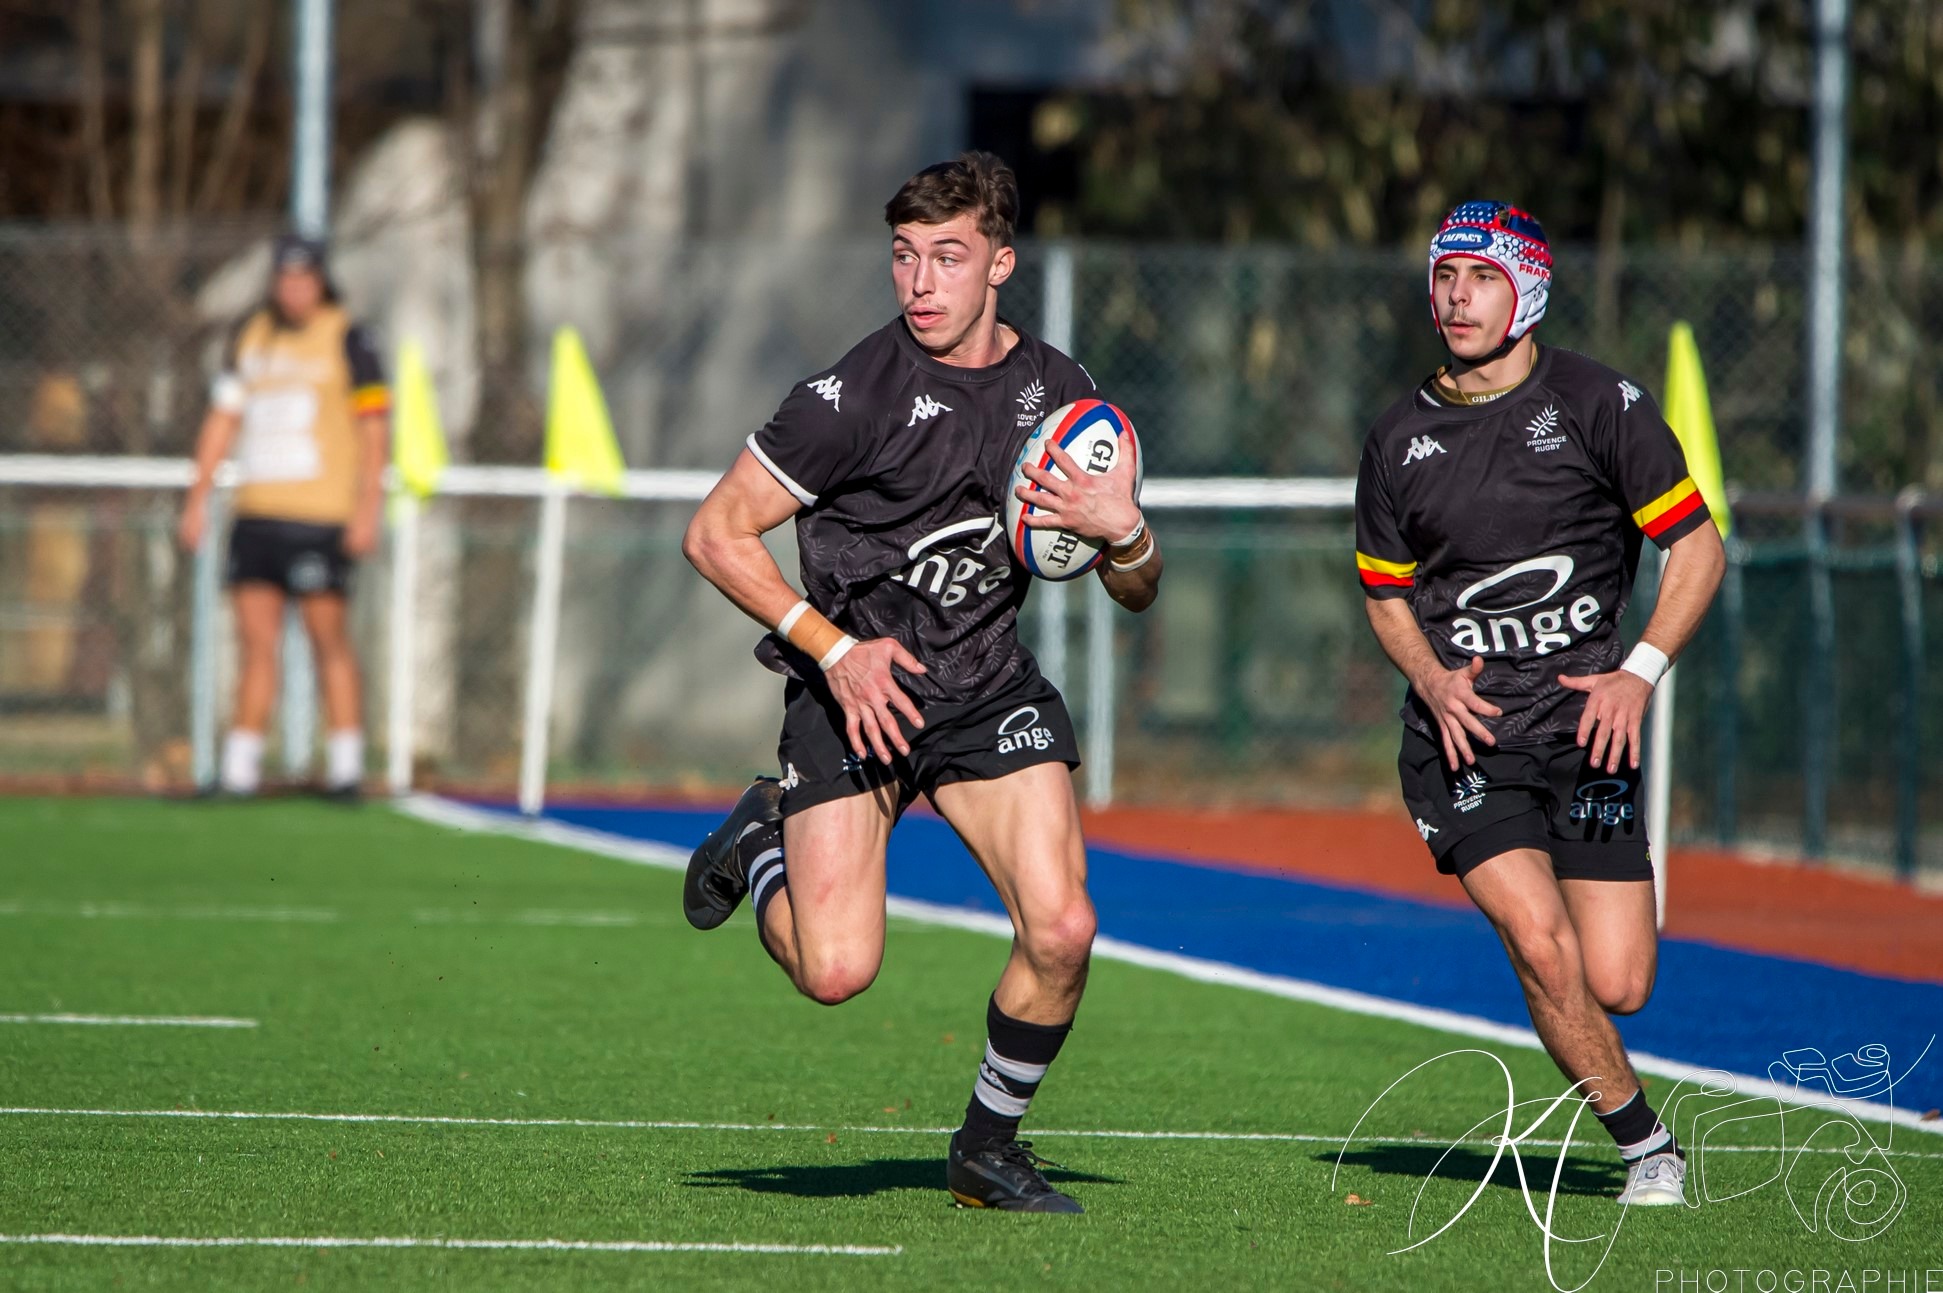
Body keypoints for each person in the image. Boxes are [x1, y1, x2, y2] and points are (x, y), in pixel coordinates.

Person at [680, 152, 1162, 1213]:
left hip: (985, 690)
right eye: (903, 257)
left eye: (947, 256)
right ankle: (760, 844)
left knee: (1063, 930)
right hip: (853, 694)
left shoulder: (1061, 398)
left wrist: (1122, 533)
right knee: (833, 970)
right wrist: (835, 651)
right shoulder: (848, 398)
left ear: (1000, 263)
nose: (920, 281)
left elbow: (1135, 586)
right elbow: (714, 534)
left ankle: (987, 1146)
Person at [1354, 201, 1726, 1207]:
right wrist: (1430, 679)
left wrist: (1637, 671)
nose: (1455, 297)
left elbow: (1695, 548)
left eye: (1478, 276)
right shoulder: (1397, 438)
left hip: (1590, 741)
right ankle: (1647, 1146)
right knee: (1537, 939)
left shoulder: (1602, 406)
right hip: (1465, 744)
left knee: (1617, 982)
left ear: (1527, 289)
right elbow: (1384, 595)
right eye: (1443, 277)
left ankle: (1578, 1020)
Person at [178, 234, 390, 800]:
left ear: (321, 280)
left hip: (321, 517)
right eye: (284, 278)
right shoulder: (251, 336)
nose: (294, 289)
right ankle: (240, 769)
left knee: (329, 640)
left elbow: (375, 431)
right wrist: (197, 498)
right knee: (254, 644)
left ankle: (346, 766)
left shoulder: (349, 339)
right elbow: (221, 421)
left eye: (304, 278)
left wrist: (368, 509)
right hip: (257, 516)